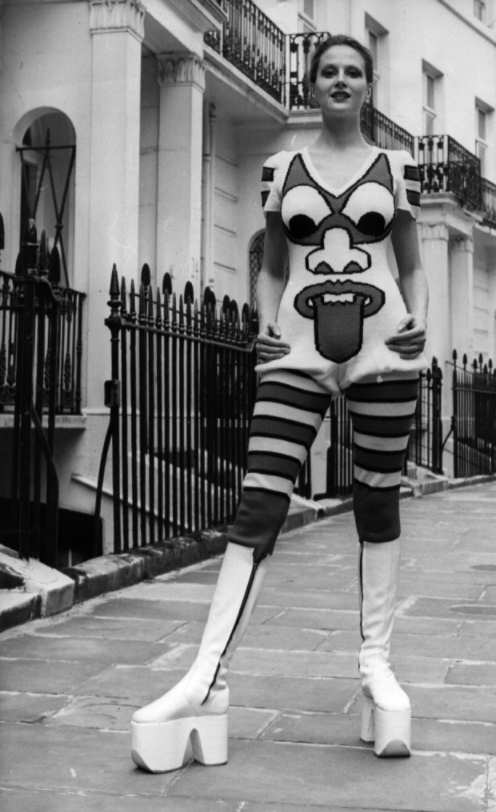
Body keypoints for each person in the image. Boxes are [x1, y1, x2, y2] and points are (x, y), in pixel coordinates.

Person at [131, 34, 429, 773]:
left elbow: (412, 265)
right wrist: (263, 319)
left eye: (353, 72)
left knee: (378, 504)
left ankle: (376, 667)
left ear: (368, 87)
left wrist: (421, 321)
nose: (340, 80)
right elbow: (271, 263)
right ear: (312, 84)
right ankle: (206, 680)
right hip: (294, 353)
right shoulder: (280, 169)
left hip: (385, 353)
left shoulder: (395, 168)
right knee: (259, 505)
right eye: (328, 71)